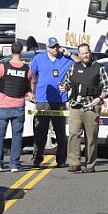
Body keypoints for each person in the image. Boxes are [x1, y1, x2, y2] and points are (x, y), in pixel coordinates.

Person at [59, 44, 108, 173]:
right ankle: (74, 163)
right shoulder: (74, 67)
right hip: (75, 106)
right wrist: (65, 87)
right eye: (82, 53)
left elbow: (107, 88)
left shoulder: (98, 68)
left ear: (90, 53)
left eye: (86, 53)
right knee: (73, 134)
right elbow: (67, 81)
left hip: (91, 107)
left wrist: (99, 98)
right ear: (79, 54)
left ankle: (90, 165)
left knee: (91, 137)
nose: (85, 55)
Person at [29, 37, 75, 169]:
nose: (55, 49)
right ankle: (37, 158)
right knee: (40, 132)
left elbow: (80, 62)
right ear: (47, 48)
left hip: (59, 100)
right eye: (52, 47)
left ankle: (61, 159)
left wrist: (69, 53)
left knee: (60, 132)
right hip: (43, 100)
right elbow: (30, 75)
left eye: (57, 46)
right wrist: (30, 91)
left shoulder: (65, 59)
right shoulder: (39, 58)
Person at [0, 42, 34, 172]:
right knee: (17, 136)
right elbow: (31, 88)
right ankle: (14, 164)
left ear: (11, 50)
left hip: (3, 106)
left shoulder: (3, 66)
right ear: (22, 51)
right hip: (18, 106)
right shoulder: (27, 69)